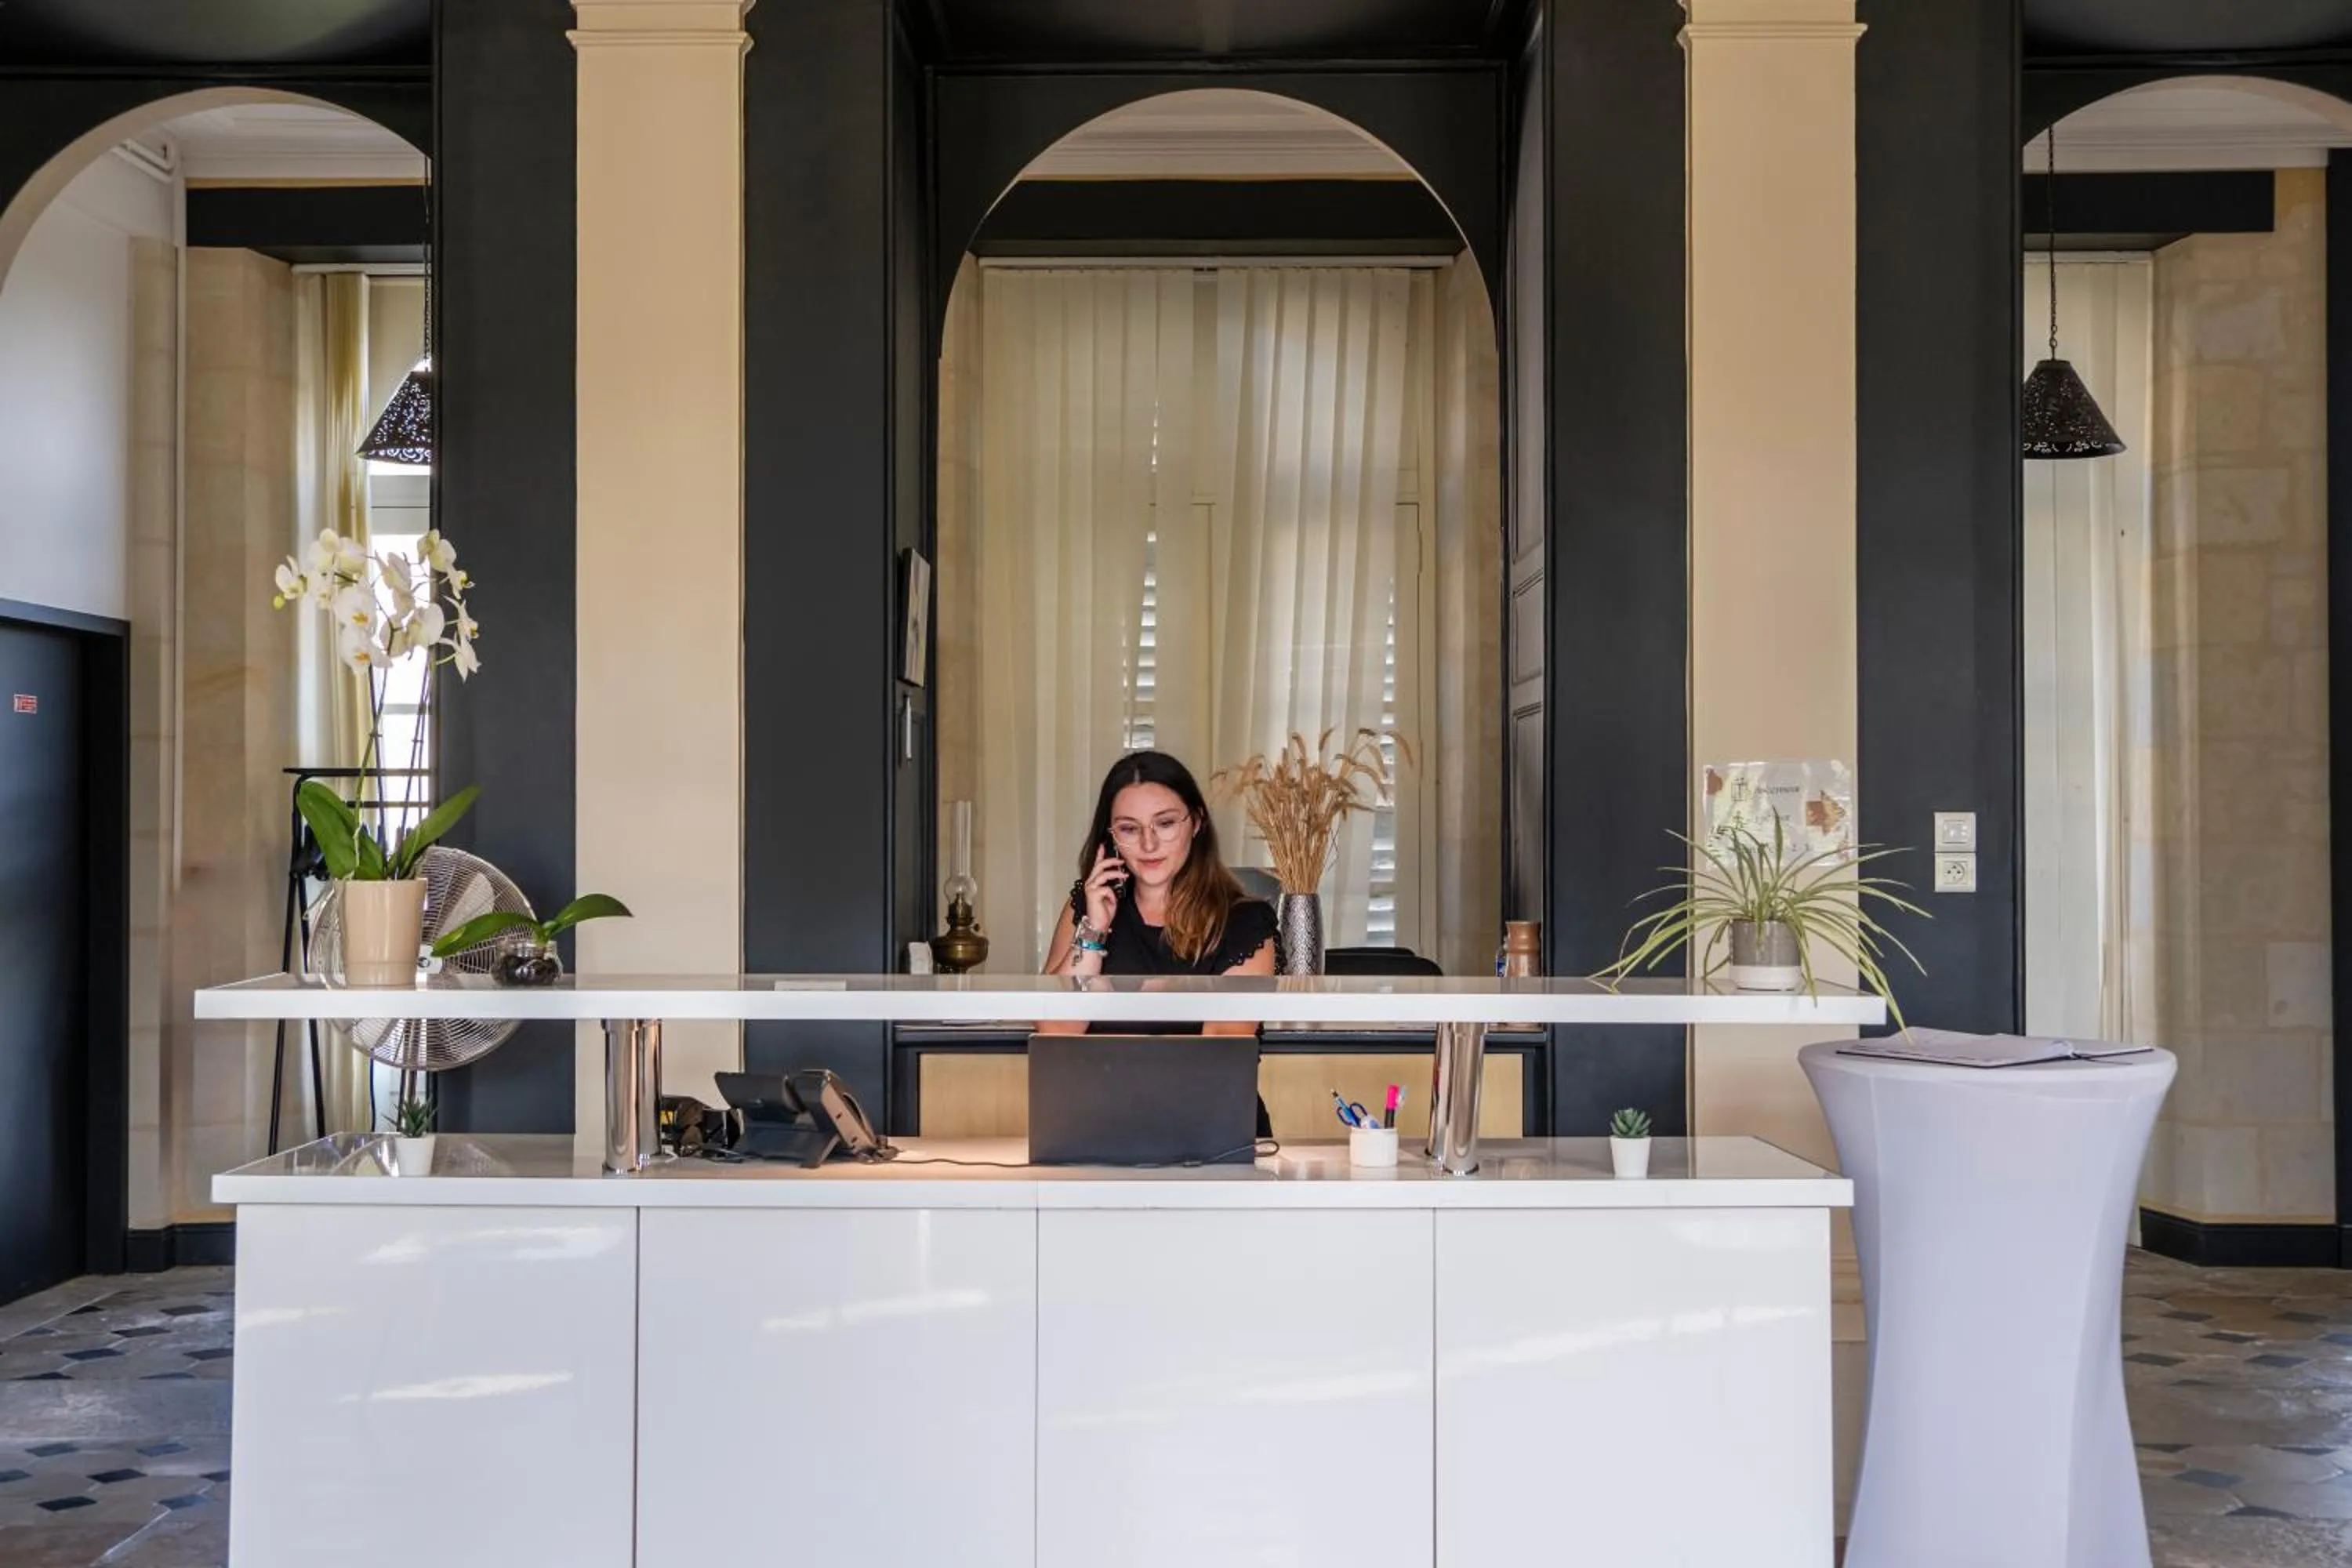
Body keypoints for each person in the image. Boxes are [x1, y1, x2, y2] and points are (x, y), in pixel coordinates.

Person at [1038, 750, 1278, 1030]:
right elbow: (1056, 1028)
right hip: (1093, 1074)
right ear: (1111, 836)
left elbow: (1225, 1047)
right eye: (1129, 828)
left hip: (1194, 1076)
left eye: (1165, 824)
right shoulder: (1087, 904)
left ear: (1197, 823)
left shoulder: (1245, 922)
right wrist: (1094, 931)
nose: (1148, 845)